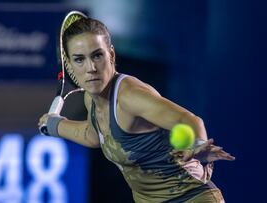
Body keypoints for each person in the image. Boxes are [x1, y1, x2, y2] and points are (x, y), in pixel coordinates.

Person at [38, 16, 235, 203]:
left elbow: (190, 121)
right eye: (79, 59)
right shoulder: (91, 98)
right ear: (70, 66)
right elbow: (93, 135)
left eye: (97, 55)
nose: (91, 68)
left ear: (111, 55)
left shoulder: (130, 96)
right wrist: (55, 125)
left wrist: (197, 147)